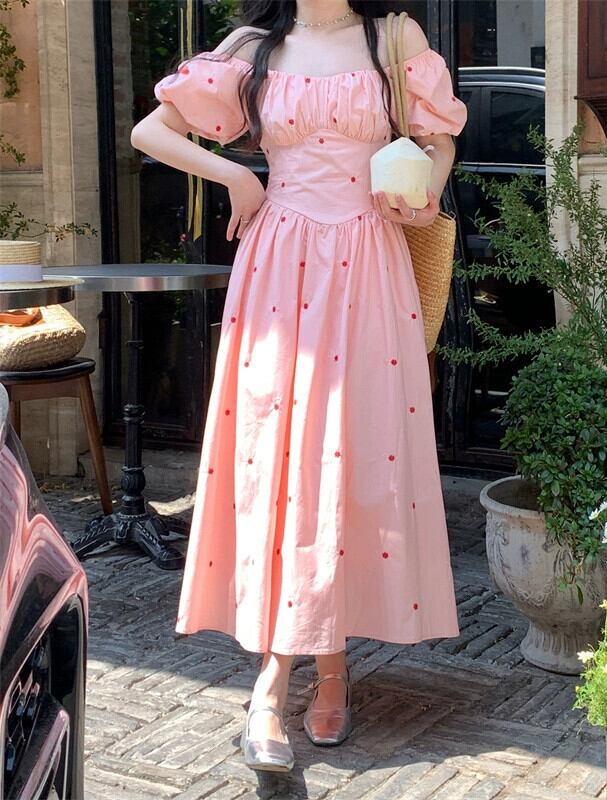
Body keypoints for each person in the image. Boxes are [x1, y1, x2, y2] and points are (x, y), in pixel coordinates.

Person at [130, 0, 468, 773]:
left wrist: (422, 191)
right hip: (280, 265)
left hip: (371, 259)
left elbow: (440, 138)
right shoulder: (254, 45)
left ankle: (331, 665)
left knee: (353, 459)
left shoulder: (393, 35)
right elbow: (152, 130)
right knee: (280, 464)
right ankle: (276, 679)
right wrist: (234, 177)